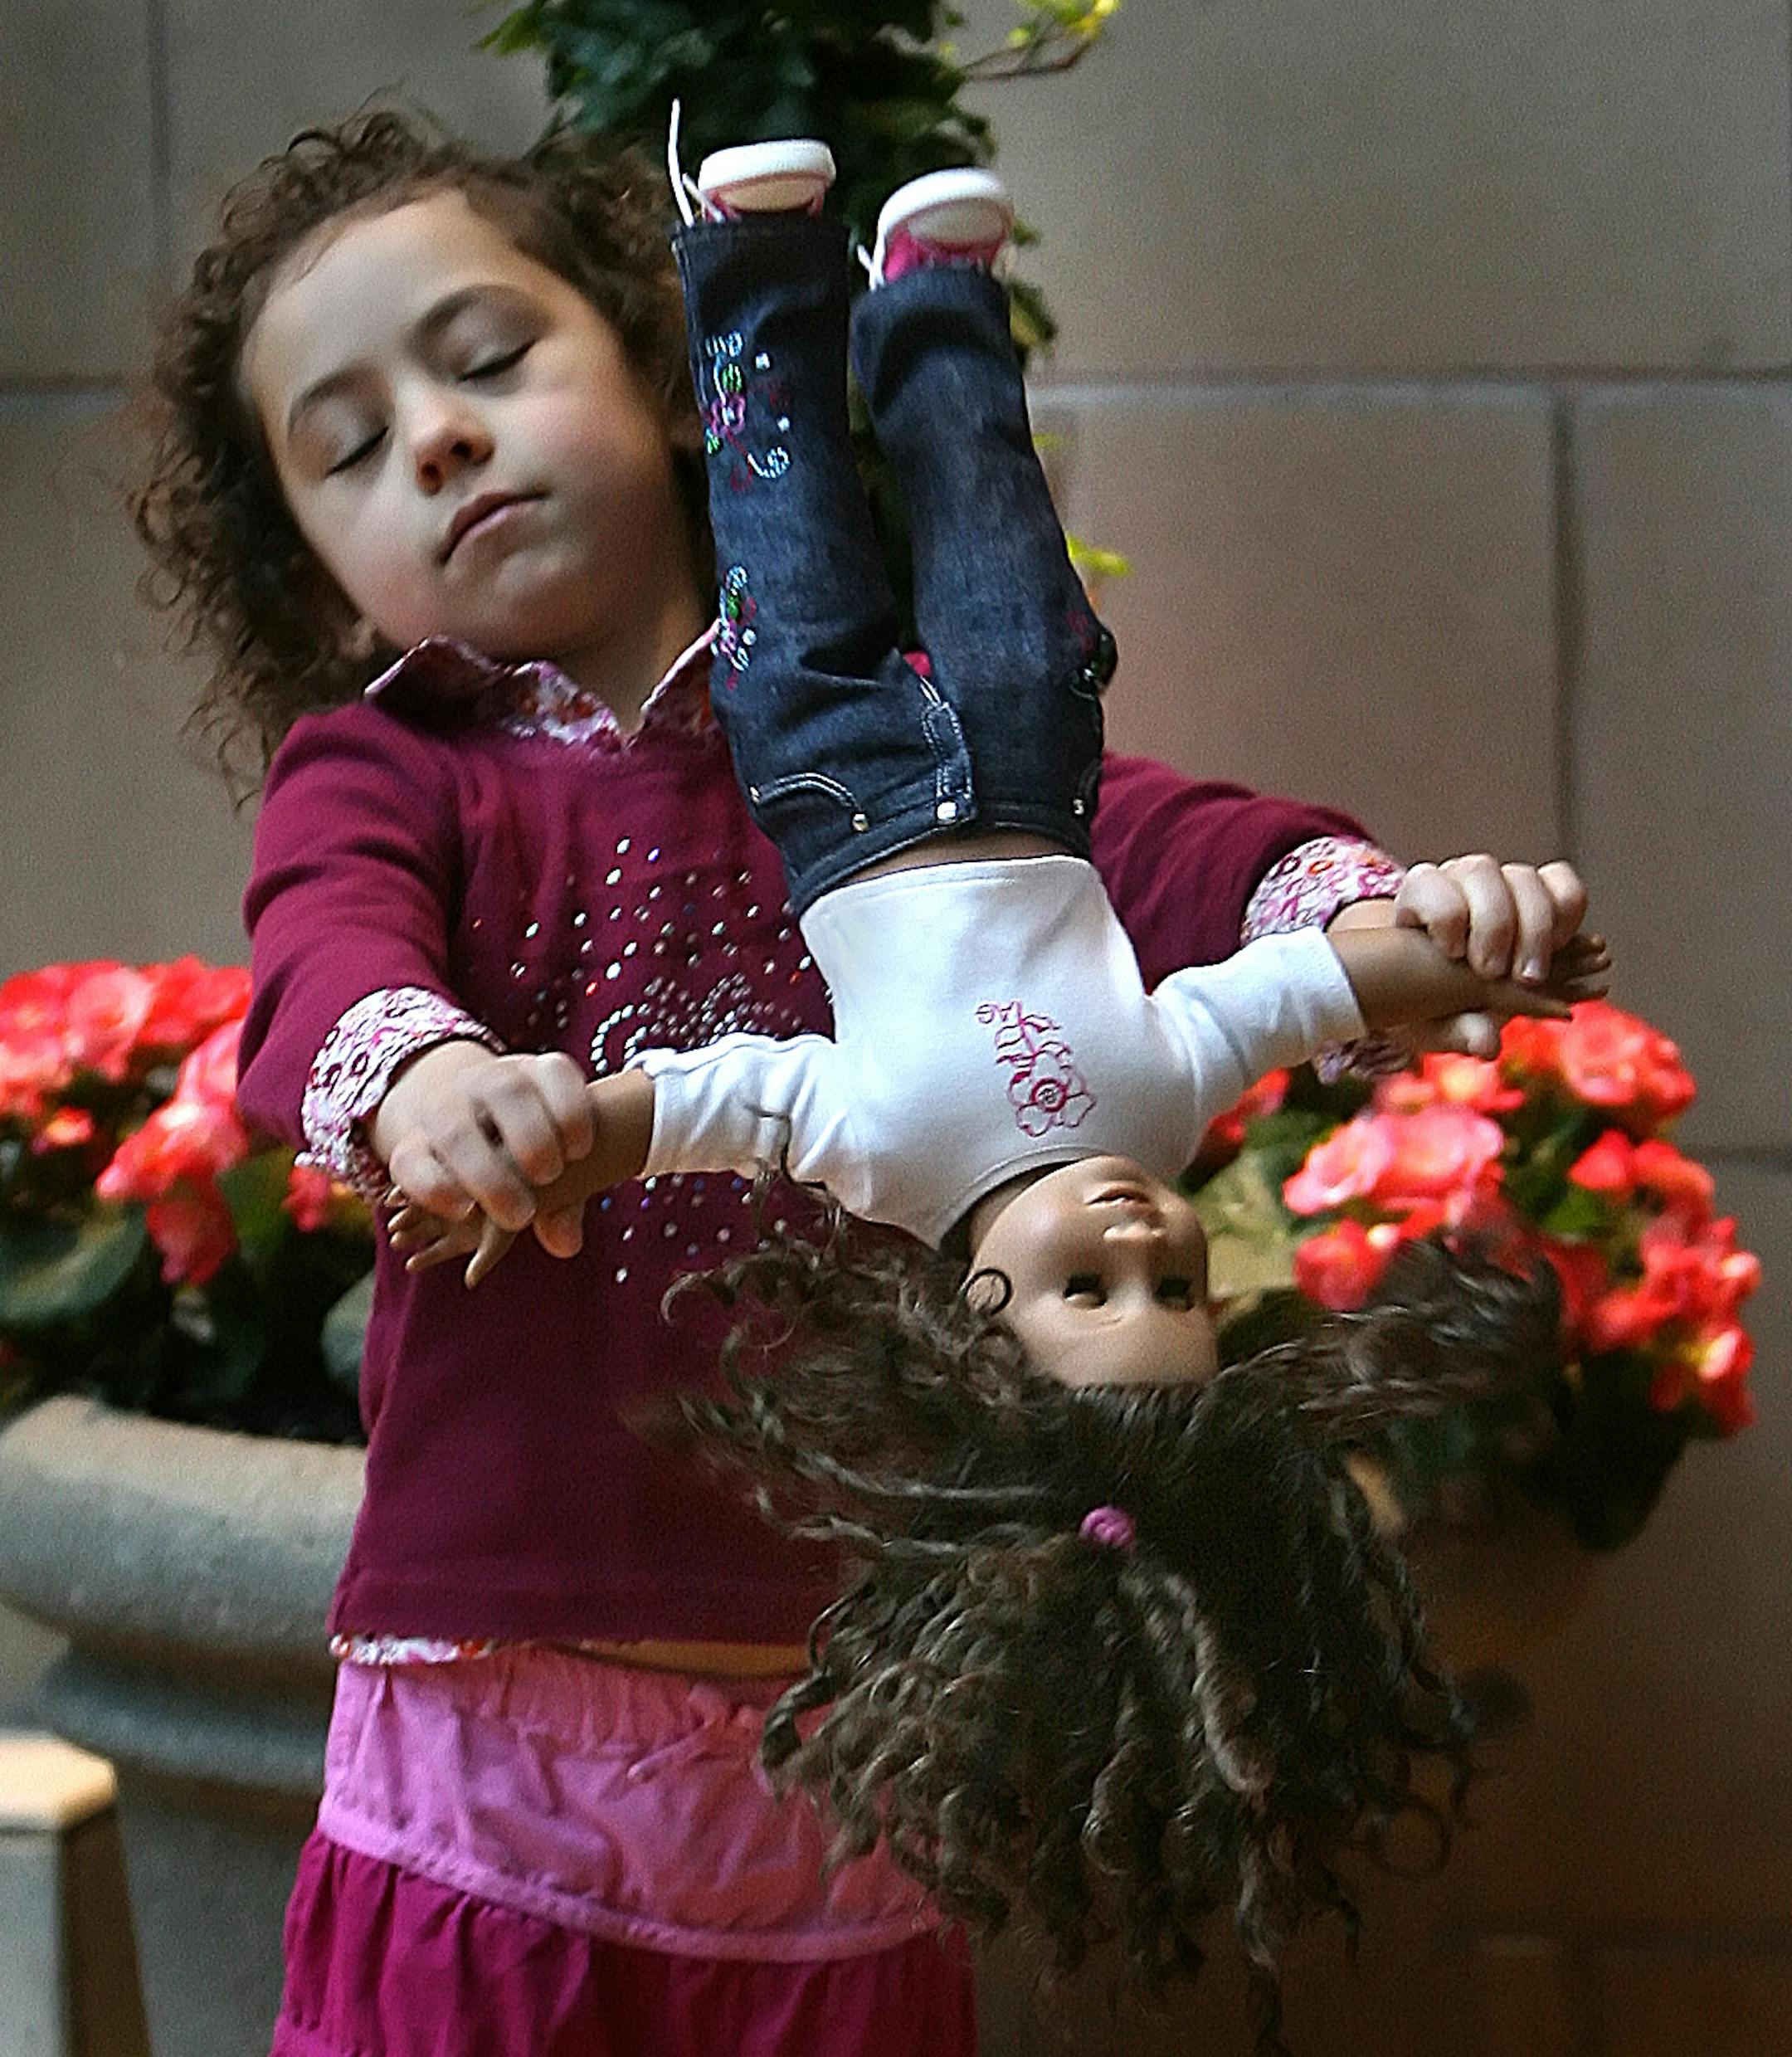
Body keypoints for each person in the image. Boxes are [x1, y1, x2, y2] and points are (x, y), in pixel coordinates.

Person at [130, 105, 1590, 2057]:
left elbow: (1163, 847)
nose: (440, 438)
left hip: (863, 1700)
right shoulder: (395, 776)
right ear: (320, 580)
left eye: (488, 363)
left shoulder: (879, 756)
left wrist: (1387, 906)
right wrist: (421, 1074)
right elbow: (326, 957)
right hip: (501, 1710)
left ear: (664, 384)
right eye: (354, 444)